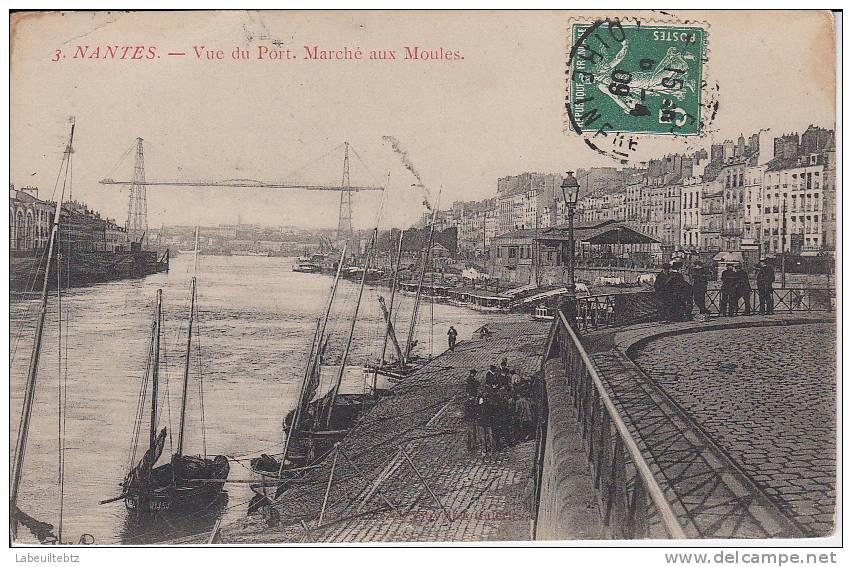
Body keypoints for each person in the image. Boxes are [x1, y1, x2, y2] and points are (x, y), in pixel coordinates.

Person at [463, 370, 480, 453]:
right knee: (472, 432)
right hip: (471, 419)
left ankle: (471, 445)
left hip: (470, 419)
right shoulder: (470, 380)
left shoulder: (471, 379)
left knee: (472, 432)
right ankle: (471, 445)